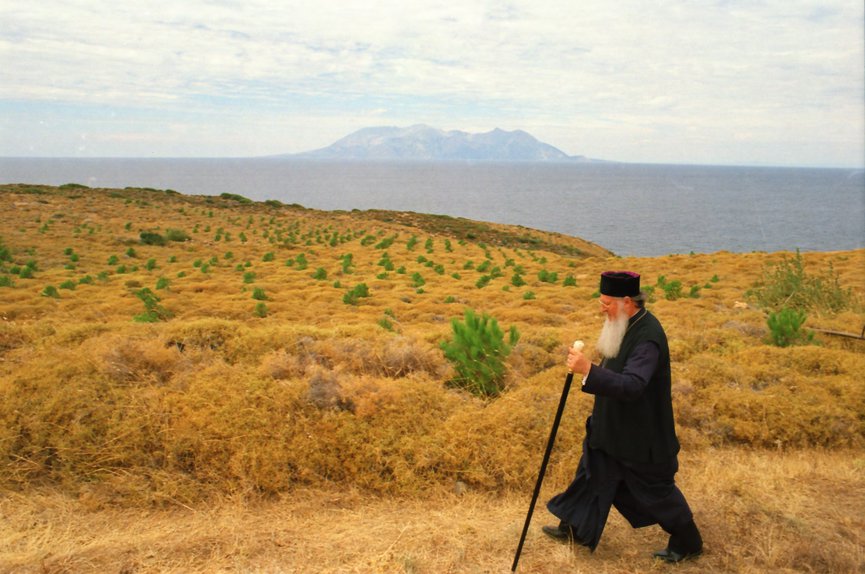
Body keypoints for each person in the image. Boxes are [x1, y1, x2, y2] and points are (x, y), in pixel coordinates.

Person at [542, 270, 703, 563]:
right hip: (610, 429)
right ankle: (575, 528)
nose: (601, 308)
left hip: (641, 437)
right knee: (591, 476)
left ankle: (688, 541)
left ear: (627, 301)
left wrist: (588, 369)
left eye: (606, 303)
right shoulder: (623, 324)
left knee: (656, 492)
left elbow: (632, 385)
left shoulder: (648, 337)